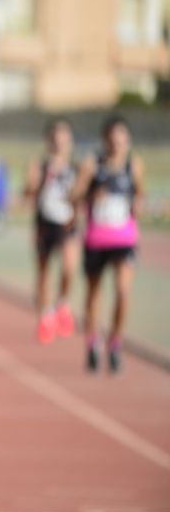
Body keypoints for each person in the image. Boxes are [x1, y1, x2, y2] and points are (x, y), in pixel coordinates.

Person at [70, 114, 145, 373]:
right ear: (105, 140)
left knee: (123, 293)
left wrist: (138, 205)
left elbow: (140, 195)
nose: (116, 145)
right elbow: (74, 195)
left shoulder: (134, 166)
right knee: (93, 294)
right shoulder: (92, 165)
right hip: (97, 238)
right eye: (112, 140)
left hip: (124, 238)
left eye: (121, 140)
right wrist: (92, 195)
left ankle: (115, 340)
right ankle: (93, 341)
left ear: (128, 141)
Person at [22, 117, 78, 343]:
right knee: (43, 274)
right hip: (45, 224)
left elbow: (82, 195)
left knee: (69, 268)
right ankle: (45, 314)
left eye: (63, 139)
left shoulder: (77, 167)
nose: (59, 143)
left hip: (67, 224)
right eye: (55, 139)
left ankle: (62, 303)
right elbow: (27, 193)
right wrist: (44, 178)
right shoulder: (39, 165)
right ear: (49, 142)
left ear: (70, 142)